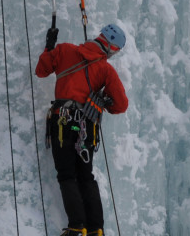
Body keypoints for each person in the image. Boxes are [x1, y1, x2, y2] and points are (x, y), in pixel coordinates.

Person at [36, 24, 129, 236]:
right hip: (87, 126)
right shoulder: (105, 69)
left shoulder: (65, 50)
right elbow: (121, 104)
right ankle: (96, 229)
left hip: (62, 122)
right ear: (111, 48)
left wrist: (49, 46)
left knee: (67, 175)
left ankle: (77, 227)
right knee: (86, 176)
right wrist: (104, 103)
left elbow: (41, 71)